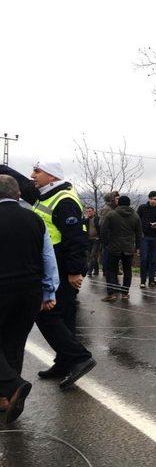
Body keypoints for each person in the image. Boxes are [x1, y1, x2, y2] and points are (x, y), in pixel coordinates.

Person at [4, 160, 96, 390]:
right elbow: (20, 185)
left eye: (37, 171)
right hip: (54, 265)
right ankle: (64, 362)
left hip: (64, 268)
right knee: (62, 315)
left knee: (47, 314)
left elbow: (76, 238)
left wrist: (75, 271)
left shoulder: (63, 200)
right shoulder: (46, 195)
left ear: (52, 176)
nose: (32, 175)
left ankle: (79, 357)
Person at [0, 175, 59, 423]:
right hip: (30, 291)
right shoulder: (35, 219)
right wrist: (49, 291)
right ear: (17, 195)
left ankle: (13, 386)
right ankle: (6, 398)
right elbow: (48, 258)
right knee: (14, 342)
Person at [100, 195, 142, 302]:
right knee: (127, 270)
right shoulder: (135, 216)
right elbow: (139, 234)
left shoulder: (112, 214)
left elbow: (103, 230)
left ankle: (112, 293)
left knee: (111, 270)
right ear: (129, 204)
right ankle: (125, 293)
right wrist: (138, 247)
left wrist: (106, 243)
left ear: (119, 203)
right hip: (128, 248)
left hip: (113, 247)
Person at [137, 191, 156, 288]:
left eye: (155, 199)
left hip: (155, 237)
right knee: (144, 259)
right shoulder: (142, 208)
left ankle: (152, 280)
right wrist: (140, 233)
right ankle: (143, 281)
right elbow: (137, 221)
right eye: (152, 199)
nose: (153, 201)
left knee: (153, 260)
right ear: (148, 199)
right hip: (144, 237)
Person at [99, 191, 119, 276]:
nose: (119, 200)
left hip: (114, 238)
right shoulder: (107, 209)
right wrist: (106, 239)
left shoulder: (114, 208)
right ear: (112, 199)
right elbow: (102, 225)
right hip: (109, 238)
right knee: (107, 256)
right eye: (117, 198)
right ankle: (107, 272)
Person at [83, 206, 100, 277]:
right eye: (87, 211)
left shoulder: (97, 219)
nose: (88, 213)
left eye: (90, 211)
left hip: (96, 239)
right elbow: (82, 228)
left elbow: (101, 228)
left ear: (93, 211)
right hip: (88, 240)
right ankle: (96, 270)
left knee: (92, 255)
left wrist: (99, 237)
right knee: (91, 255)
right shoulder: (85, 220)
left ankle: (89, 271)